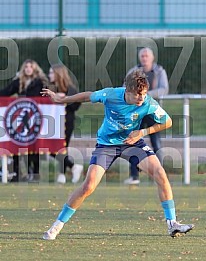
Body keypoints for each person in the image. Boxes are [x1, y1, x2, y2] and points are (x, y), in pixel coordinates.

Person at [41, 69, 194, 240]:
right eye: (138, 95)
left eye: (143, 94)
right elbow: (87, 96)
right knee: (88, 186)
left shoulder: (148, 102)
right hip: (106, 145)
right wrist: (62, 99)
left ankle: (172, 223)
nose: (141, 98)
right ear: (127, 91)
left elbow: (167, 122)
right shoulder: (112, 94)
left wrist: (142, 132)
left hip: (133, 143)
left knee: (160, 174)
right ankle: (57, 226)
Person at [123, 47, 169, 185]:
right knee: (133, 142)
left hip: (152, 112)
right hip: (136, 112)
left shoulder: (159, 71)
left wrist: (146, 95)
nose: (144, 58)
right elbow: (125, 87)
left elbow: (164, 89)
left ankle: (159, 176)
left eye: (146, 56)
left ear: (152, 57)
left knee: (157, 144)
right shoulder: (133, 71)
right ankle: (134, 176)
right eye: (142, 56)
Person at [0, 59, 49, 182]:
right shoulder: (18, 82)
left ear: (34, 68)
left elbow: (46, 98)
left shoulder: (41, 83)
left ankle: (35, 173)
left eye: (30, 66)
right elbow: (5, 93)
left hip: (37, 119)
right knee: (18, 145)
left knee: (35, 146)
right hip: (21, 118)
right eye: (26, 66)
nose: (28, 68)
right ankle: (18, 173)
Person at [48, 64, 83, 184]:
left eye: (51, 73)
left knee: (62, 147)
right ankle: (73, 166)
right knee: (50, 148)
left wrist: (65, 99)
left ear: (58, 74)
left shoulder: (70, 88)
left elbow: (76, 105)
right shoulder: (50, 88)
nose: (49, 75)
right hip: (52, 122)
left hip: (66, 122)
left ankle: (62, 174)